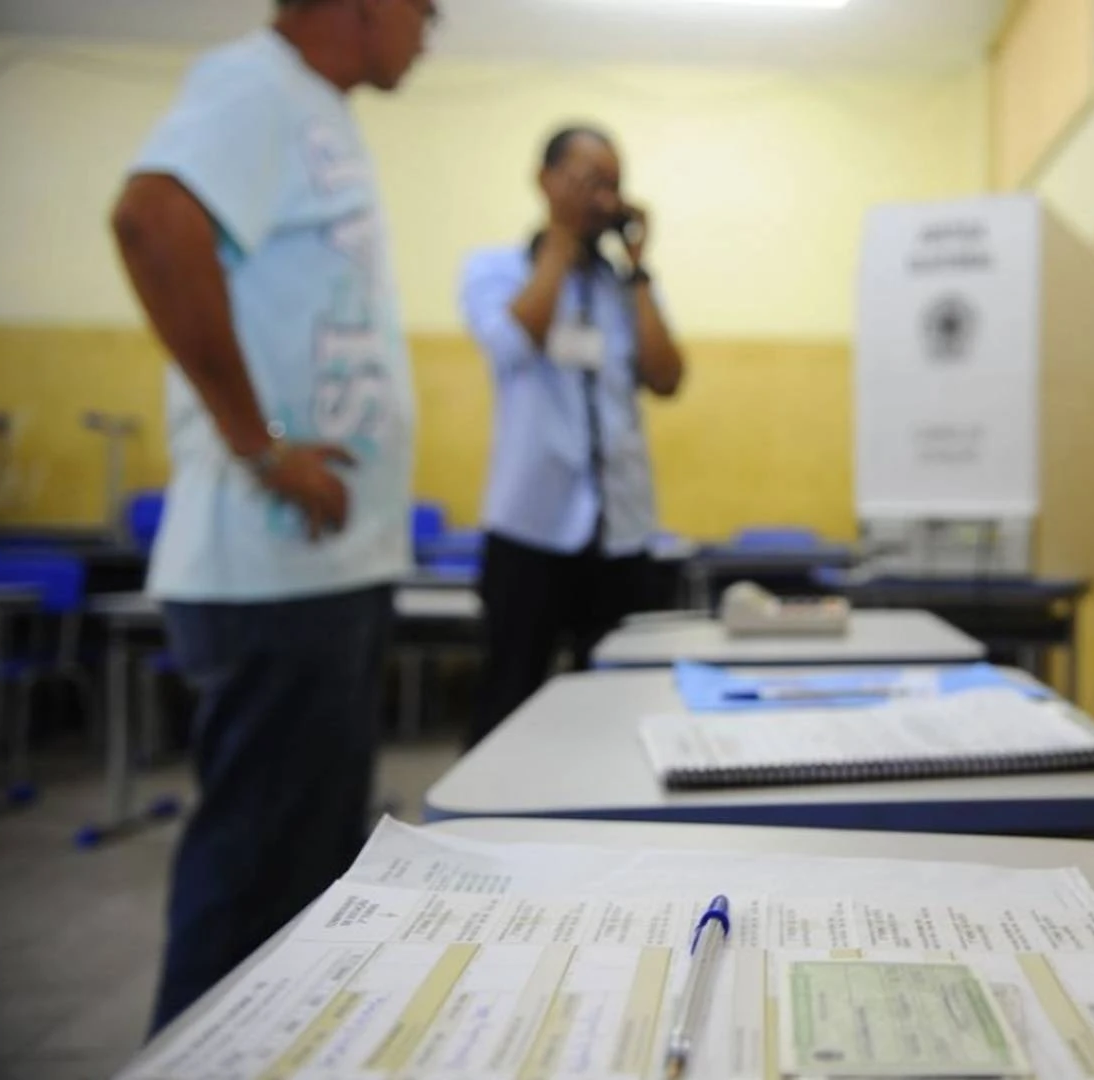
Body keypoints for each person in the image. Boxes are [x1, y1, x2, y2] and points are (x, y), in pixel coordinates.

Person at [109, 0, 432, 1032]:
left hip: (326, 567)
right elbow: (151, 219)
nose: (432, 27)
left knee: (305, 887)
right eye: (425, 7)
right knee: (255, 885)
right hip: (273, 568)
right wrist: (259, 444)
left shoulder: (316, 108)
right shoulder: (257, 83)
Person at [459, 125, 686, 747]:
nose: (603, 200)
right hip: (530, 526)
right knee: (508, 699)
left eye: (613, 186)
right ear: (545, 180)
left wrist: (638, 269)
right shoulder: (494, 269)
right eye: (588, 182)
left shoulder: (625, 288)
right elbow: (513, 341)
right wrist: (559, 240)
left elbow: (666, 377)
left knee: (619, 707)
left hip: (620, 530)